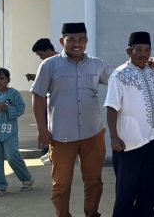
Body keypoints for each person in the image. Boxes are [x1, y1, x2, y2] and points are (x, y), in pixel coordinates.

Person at [30, 22, 112, 217]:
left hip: (93, 134)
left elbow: (119, 79)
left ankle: (92, 213)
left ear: (86, 41)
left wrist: (149, 65)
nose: (77, 44)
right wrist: (42, 129)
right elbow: (38, 96)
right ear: (62, 41)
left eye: (81, 39)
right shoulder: (49, 65)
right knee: (61, 183)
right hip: (61, 136)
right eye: (71, 40)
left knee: (94, 181)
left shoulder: (97, 64)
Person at [104, 31, 154, 217]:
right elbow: (112, 108)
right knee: (125, 195)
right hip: (129, 145)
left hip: (152, 142)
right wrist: (114, 136)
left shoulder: (153, 72)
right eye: (139, 49)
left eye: (147, 50)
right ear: (129, 50)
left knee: (149, 192)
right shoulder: (119, 75)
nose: (143, 54)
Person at [0, 68, 34, 197]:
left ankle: (27, 179)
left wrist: (7, 108)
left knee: (12, 156)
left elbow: (20, 108)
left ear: (8, 80)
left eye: (2, 78)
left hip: (9, 130)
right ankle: (0, 186)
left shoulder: (14, 94)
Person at [27, 38, 59, 165]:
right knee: (47, 127)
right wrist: (36, 77)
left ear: (48, 50)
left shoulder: (61, 62)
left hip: (59, 104)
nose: (40, 58)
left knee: (55, 130)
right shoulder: (47, 64)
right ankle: (50, 152)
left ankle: (53, 154)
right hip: (47, 101)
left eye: (41, 54)